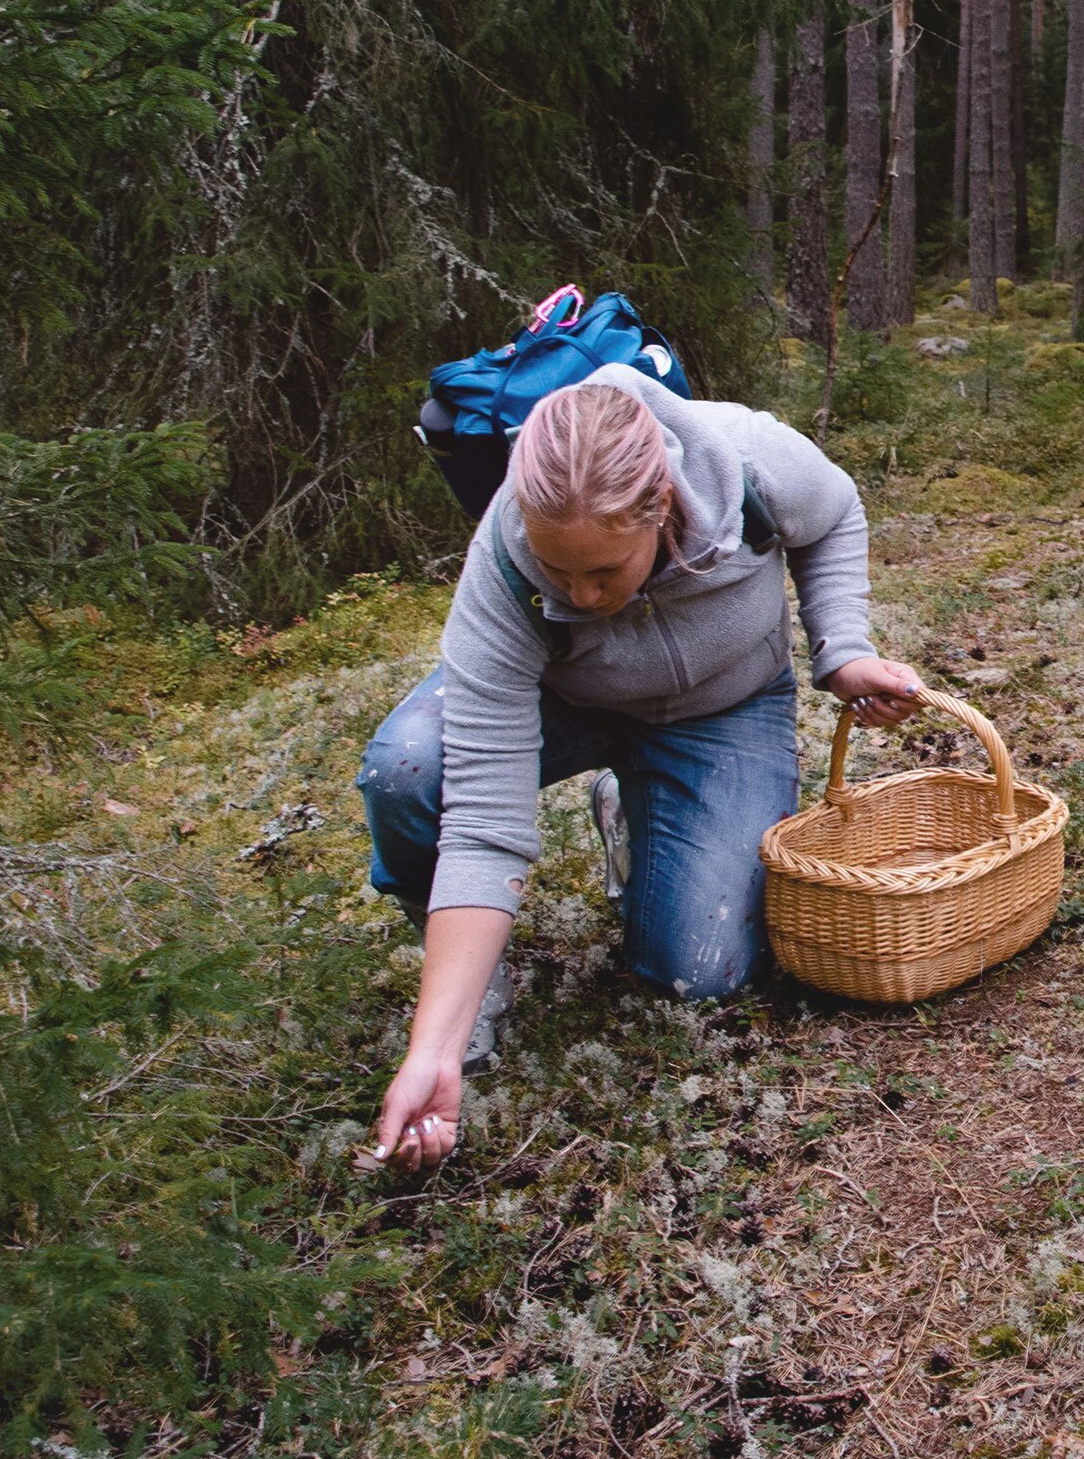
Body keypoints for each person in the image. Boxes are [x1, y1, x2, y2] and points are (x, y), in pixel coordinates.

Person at [360, 368, 923, 1170]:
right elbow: (485, 826)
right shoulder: (505, 557)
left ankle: (637, 810)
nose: (580, 596)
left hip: (723, 708)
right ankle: (464, 984)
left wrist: (843, 651)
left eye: (603, 572)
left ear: (661, 505)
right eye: (560, 573)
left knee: (702, 969)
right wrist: (434, 1050)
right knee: (410, 769)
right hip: (569, 707)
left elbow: (834, 515)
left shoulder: (752, 460)